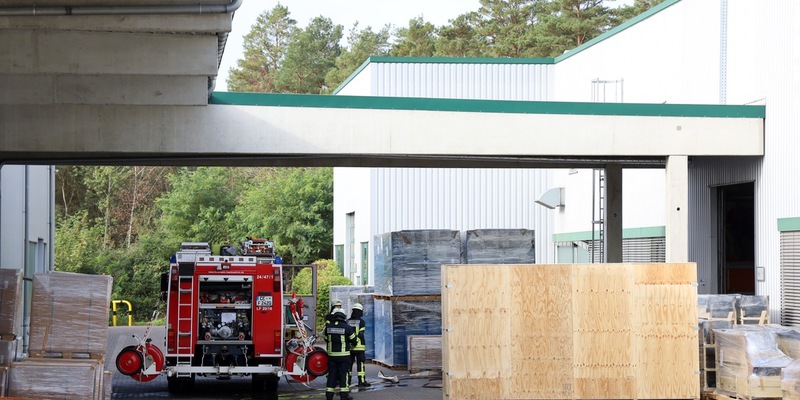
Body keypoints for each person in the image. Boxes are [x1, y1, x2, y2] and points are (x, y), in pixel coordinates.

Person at [325, 308, 357, 400]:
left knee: (332, 375)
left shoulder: (329, 327)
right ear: (343, 317)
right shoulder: (347, 327)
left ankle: (329, 395)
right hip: (344, 356)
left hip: (332, 356)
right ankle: (344, 395)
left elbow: (326, 339)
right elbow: (354, 340)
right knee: (343, 375)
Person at [347, 303, 370, 387]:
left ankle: (347, 382)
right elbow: (361, 334)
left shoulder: (348, 321)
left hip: (350, 348)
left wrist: (351, 343)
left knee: (349, 365)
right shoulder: (361, 321)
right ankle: (362, 381)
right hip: (360, 347)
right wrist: (356, 342)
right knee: (360, 365)